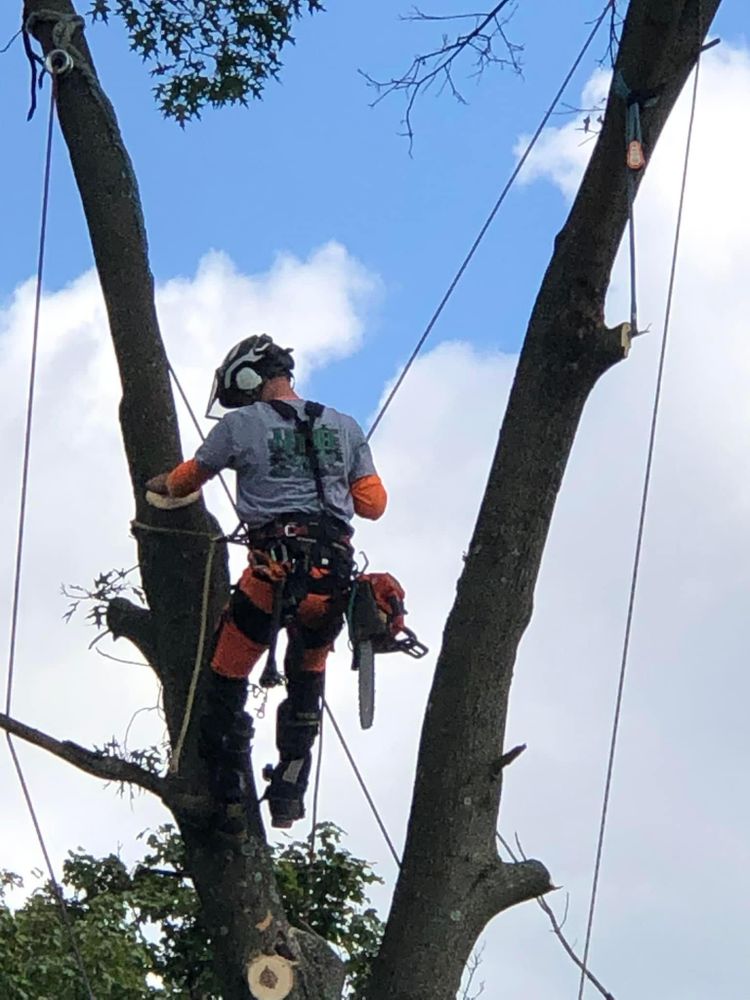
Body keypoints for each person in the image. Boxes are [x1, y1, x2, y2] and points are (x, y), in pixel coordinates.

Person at [146, 334, 387, 832]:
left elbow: (189, 478)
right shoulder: (345, 426)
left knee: (226, 677)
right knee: (307, 679)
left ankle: (230, 791)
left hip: (271, 576)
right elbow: (373, 505)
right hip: (330, 582)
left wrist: (163, 486)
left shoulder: (239, 425)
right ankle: (289, 791)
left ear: (248, 379)